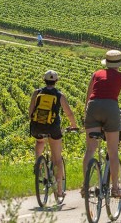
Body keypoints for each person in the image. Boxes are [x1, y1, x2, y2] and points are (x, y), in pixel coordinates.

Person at [83, 50, 121, 198]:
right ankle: (115, 189)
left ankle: (85, 186)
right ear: (120, 64)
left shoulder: (96, 74)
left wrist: (86, 116)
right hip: (111, 109)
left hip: (93, 108)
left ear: (106, 63)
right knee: (113, 151)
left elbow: (88, 98)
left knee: (90, 150)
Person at [28, 70, 79, 198]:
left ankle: (38, 162)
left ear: (44, 80)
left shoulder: (37, 92)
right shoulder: (59, 95)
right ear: (56, 81)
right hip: (53, 128)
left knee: (39, 141)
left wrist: (35, 122)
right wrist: (74, 125)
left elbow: (30, 111)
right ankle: (60, 191)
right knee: (57, 160)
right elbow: (69, 113)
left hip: (36, 127)